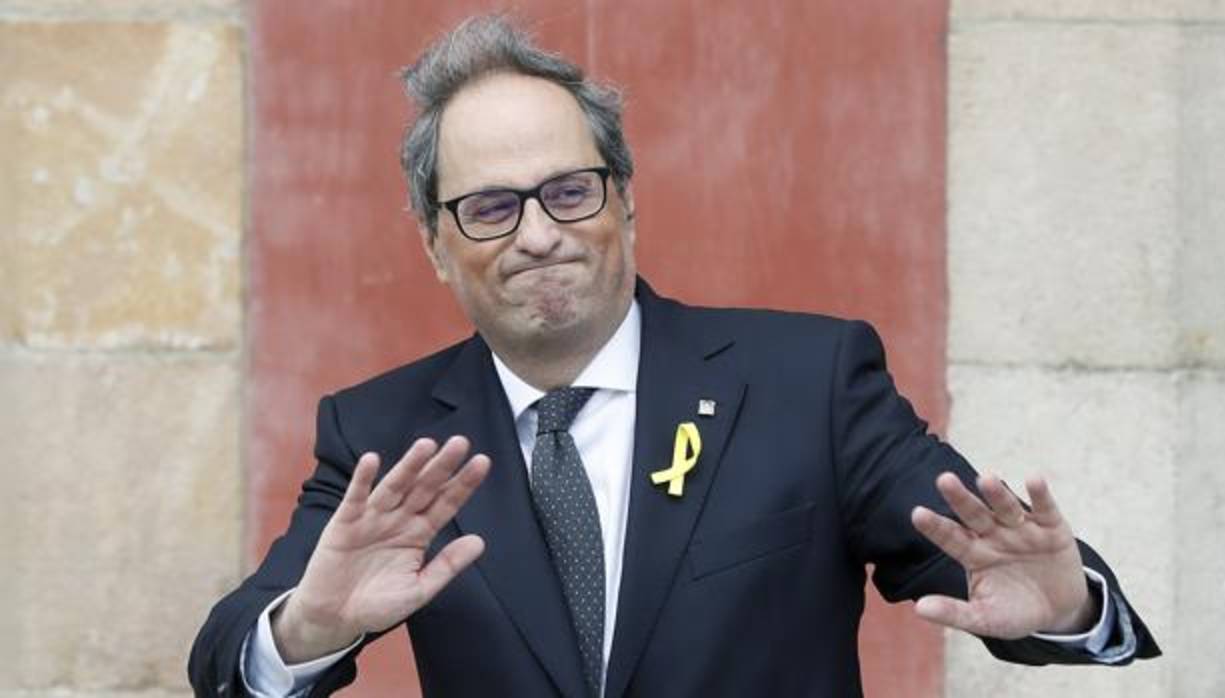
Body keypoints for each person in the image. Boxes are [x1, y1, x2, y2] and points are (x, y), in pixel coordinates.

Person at [188, 15, 1159, 698]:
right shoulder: (384, 435)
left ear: (624, 200)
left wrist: (1067, 605)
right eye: (489, 207)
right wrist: (309, 629)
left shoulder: (807, 382)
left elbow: (980, 560)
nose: (538, 234)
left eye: (569, 191)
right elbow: (228, 656)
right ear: (435, 245)